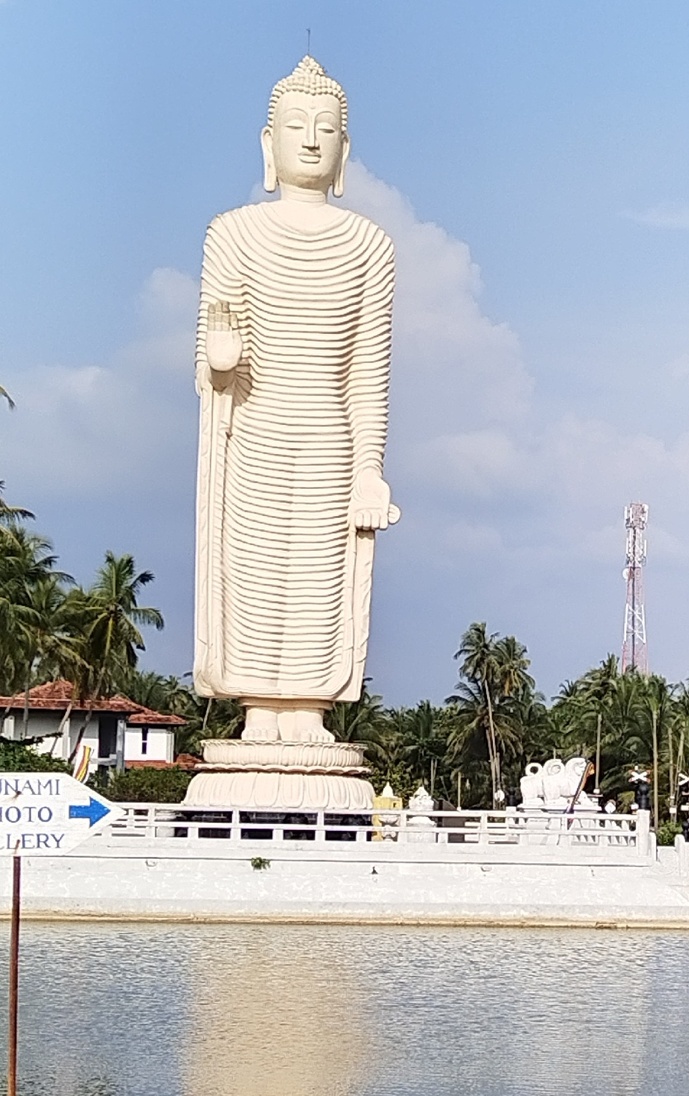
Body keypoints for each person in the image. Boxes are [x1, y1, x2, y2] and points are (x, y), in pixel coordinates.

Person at [193, 56, 398, 743]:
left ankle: (307, 708)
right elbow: (212, 363)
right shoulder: (232, 233)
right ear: (267, 142)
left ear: (345, 150)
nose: (310, 139)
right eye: (294, 125)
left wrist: (368, 468)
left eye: (326, 128)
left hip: (330, 438)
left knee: (317, 579)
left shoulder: (370, 246)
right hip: (253, 427)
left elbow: (369, 374)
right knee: (252, 573)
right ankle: (257, 710)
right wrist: (221, 364)